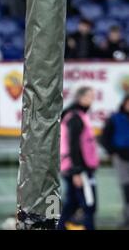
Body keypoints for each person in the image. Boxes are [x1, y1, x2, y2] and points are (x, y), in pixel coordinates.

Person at [58, 87, 100, 230]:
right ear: (80, 97)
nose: (91, 99)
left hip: (76, 168)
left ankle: (60, 227)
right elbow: (73, 145)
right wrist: (76, 171)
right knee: (88, 204)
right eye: (89, 96)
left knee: (72, 203)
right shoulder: (75, 117)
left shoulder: (77, 115)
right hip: (79, 169)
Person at [101, 95, 129, 229]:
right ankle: (127, 218)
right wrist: (113, 151)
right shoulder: (115, 118)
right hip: (121, 158)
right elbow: (104, 137)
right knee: (126, 188)